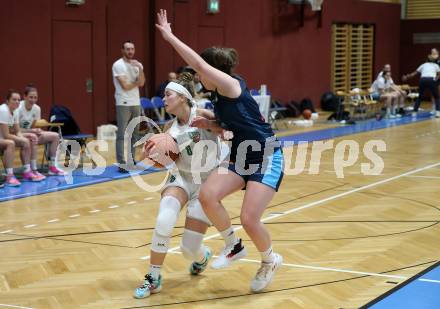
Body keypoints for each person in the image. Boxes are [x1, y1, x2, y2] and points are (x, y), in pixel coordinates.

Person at [156, 9, 284, 293]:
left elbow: (197, 63)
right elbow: (231, 125)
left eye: (202, 74)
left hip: (265, 154)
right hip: (241, 152)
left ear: (212, 71)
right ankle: (233, 245)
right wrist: (211, 123)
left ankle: (269, 259)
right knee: (207, 194)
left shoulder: (229, 84)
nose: (199, 79)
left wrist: (169, 36)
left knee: (250, 218)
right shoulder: (218, 95)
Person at [133, 73, 227, 299]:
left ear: (183, 97)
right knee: (164, 219)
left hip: (207, 182)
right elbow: (167, 158)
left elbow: (228, 128)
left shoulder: (203, 115)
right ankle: (153, 277)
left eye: (168, 95)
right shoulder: (168, 127)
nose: (163, 99)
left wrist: (218, 126)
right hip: (182, 177)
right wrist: (153, 155)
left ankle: (202, 255)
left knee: (188, 249)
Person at [15, 85, 65, 175]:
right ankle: (32, 170)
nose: (33, 100)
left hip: (32, 134)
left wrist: (38, 130)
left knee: (55, 136)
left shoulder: (37, 108)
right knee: (33, 137)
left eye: (35, 97)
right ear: (24, 96)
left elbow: (35, 126)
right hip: (19, 135)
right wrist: (32, 131)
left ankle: (52, 167)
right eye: (31, 97)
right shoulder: (18, 109)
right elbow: (16, 130)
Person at [112, 40, 145, 173]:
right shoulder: (118, 65)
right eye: (127, 49)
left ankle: (131, 159)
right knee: (121, 134)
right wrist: (136, 82)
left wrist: (141, 69)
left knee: (134, 133)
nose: (130, 51)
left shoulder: (138, 65)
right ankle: (121, 162)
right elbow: (125, 87)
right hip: (123, 102)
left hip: (135, 102)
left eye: (132, 49)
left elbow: (142, 83)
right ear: (122, 50)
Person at [0, 90, 45, 183]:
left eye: (18, 100)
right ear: (7, 101)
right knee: (11, 143)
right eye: (14, 99)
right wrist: (22, 139)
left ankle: (28, 171)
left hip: (4, 137)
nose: (17, 102)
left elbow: (17, 131)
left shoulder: (15, 110)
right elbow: (6, 135)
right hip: (3, 137)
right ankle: (9, 175)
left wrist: (25, 137)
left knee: (30, 138)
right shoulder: (3, 110)